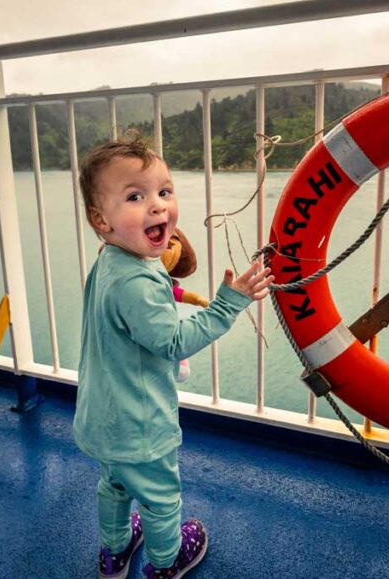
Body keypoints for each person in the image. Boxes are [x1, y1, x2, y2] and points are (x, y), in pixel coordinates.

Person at [74, 137, 272, 579]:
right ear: (100, 221)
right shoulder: (138, 283)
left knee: (116, 483)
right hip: (140, 423)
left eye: (164, 191)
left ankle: (115, 551)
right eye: (135, 197)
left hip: (103, 417)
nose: (158, 207)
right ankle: (166, 563)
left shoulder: (111, 261)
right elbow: (173, 341)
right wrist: (227, 304)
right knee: (162, 497)